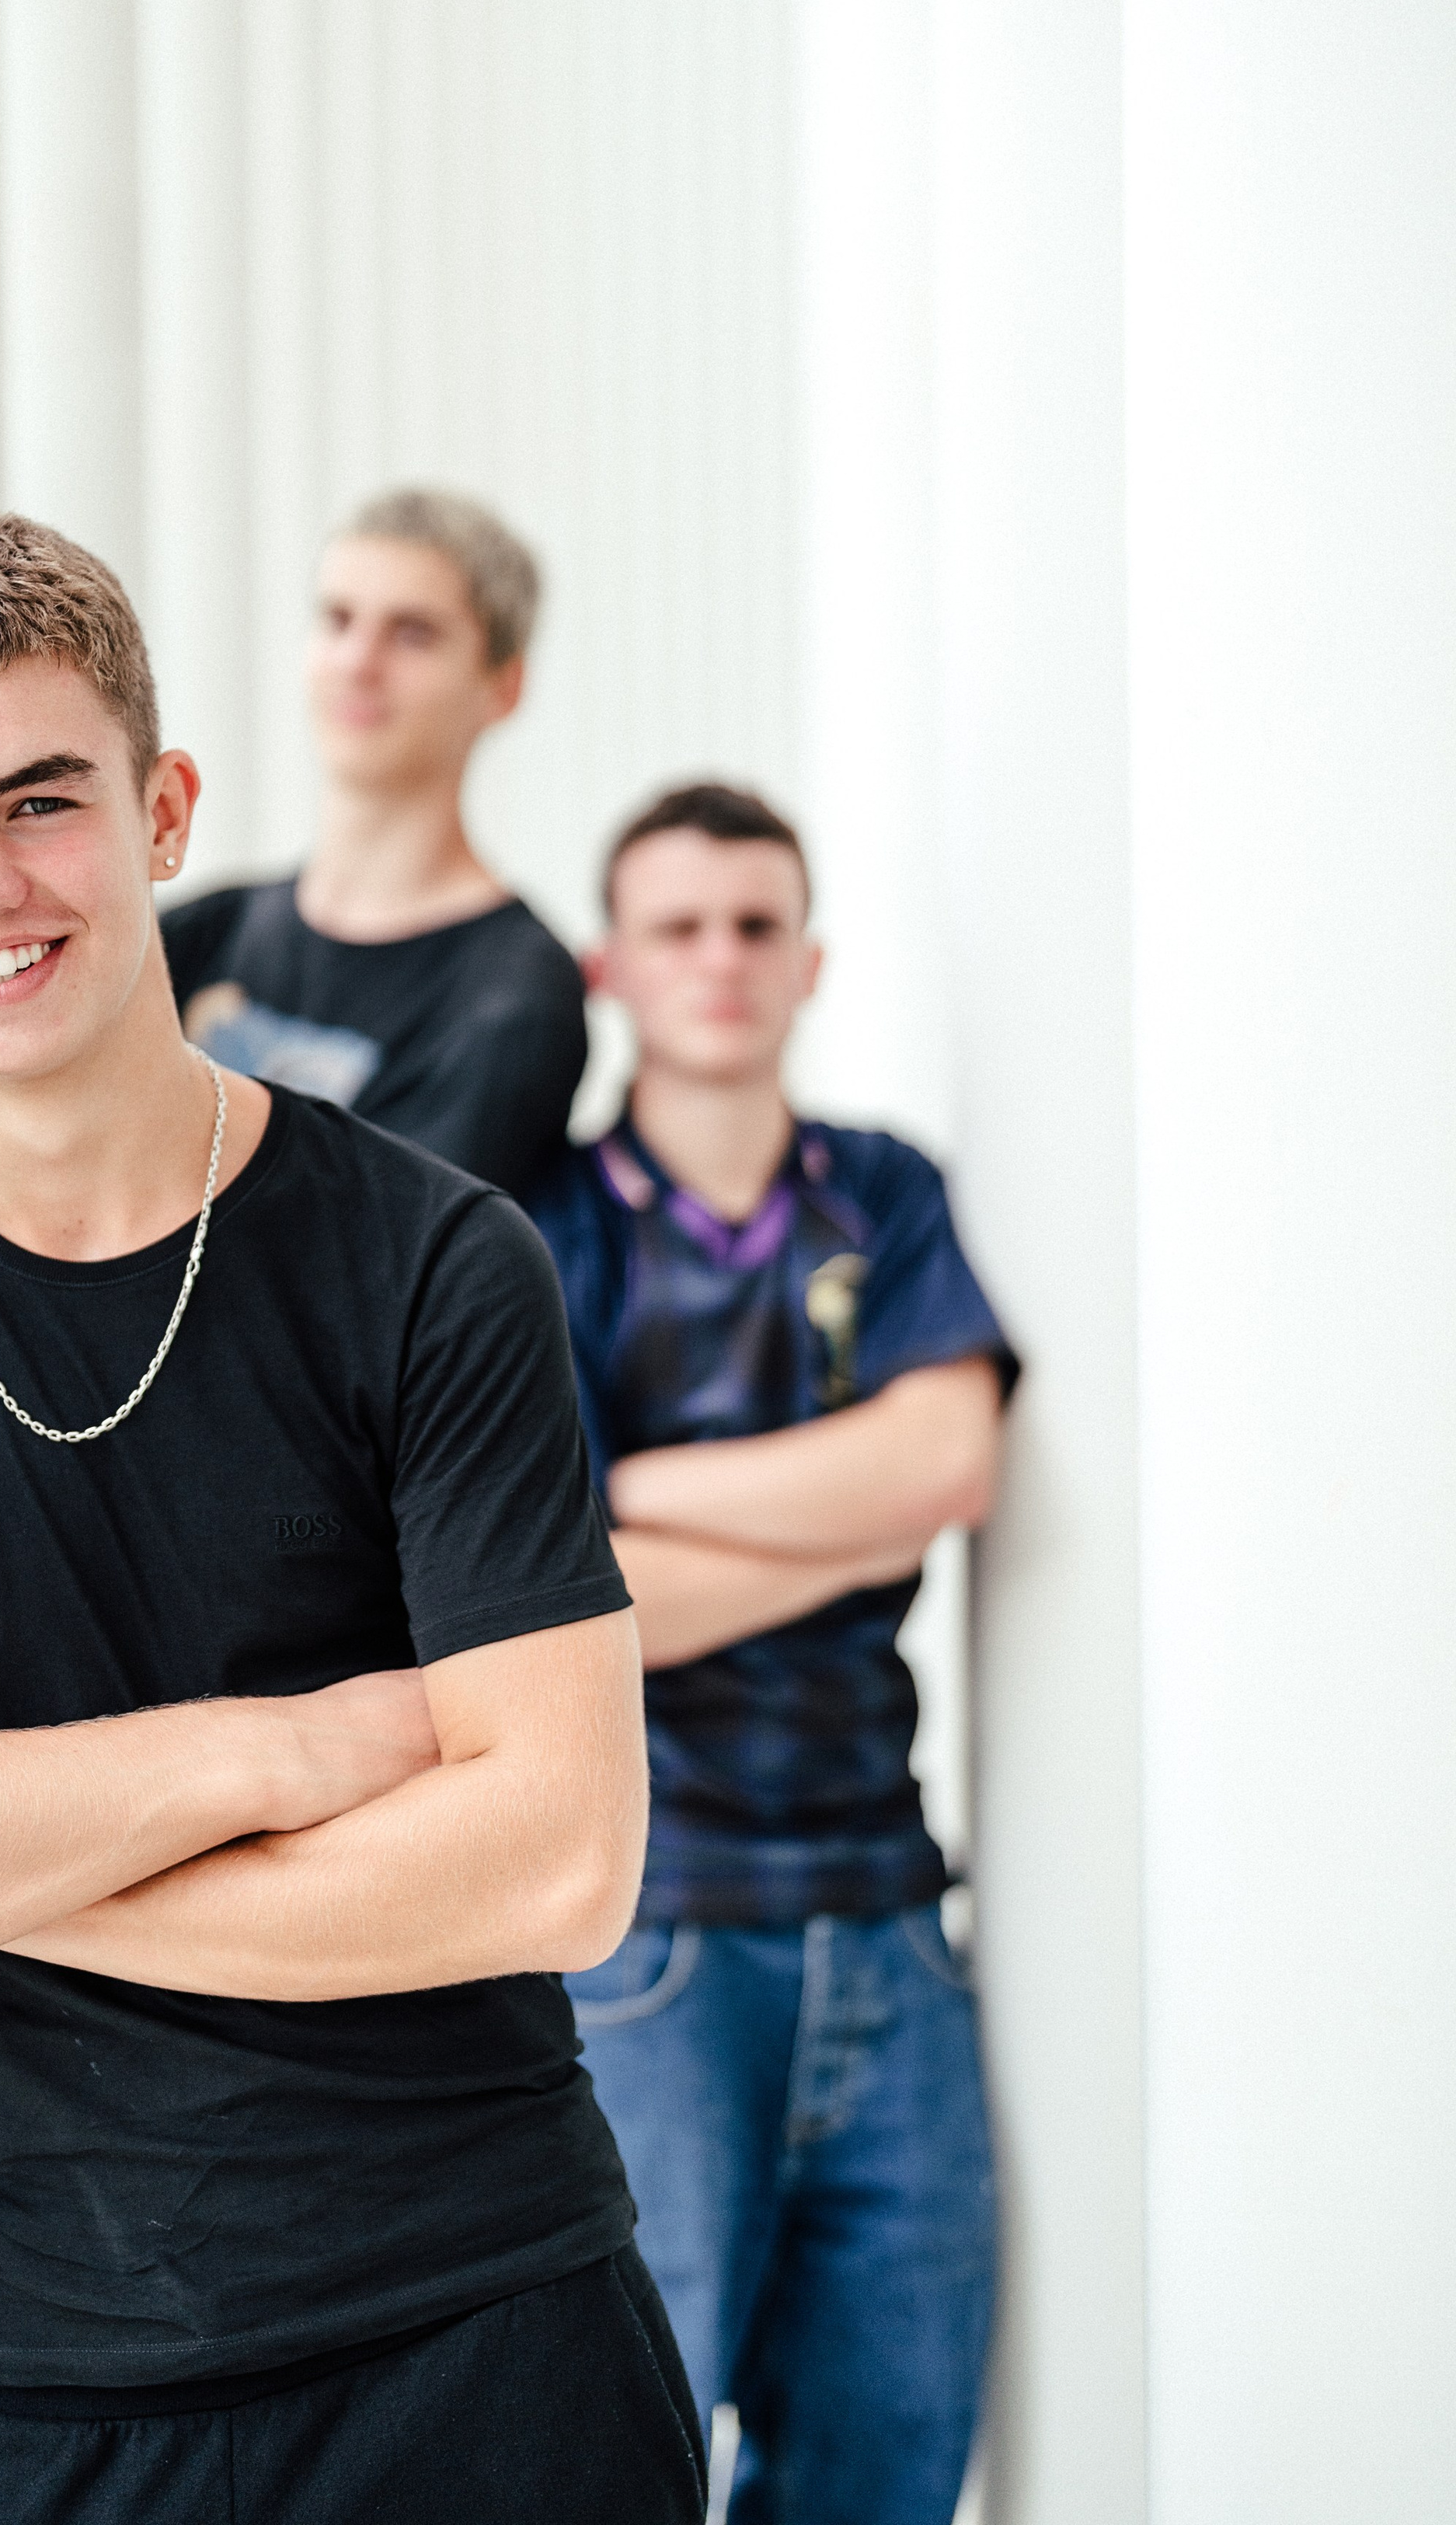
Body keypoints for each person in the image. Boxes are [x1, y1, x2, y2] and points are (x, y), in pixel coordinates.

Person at [0, 514, 703, 2525]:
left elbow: (553, 1863)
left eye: (44, 803)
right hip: (39, 2375)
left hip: (480, 2356)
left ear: (166, 808)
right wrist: (278, 1756)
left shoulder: (433, 1262)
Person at [528, 780, 1018, 2525]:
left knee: (884, 2470)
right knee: (627, 2470)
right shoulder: (538, 1235)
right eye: (677, 927)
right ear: (609, 966)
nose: (719, 961)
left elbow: (946, 1464)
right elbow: (559, 1606)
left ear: (807, 962)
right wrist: (851, 1520)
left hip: (889, 1919)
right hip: (647, 1941)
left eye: (754, 927)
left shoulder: (881, 1193)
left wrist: (651, 1489)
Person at [160, 486, 587, 1197]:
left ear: (502, 687)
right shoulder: (201, 932)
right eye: (337, 620)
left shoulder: (515, 997)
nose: (358, 660)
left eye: (413, 633)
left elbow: (373, 1272)